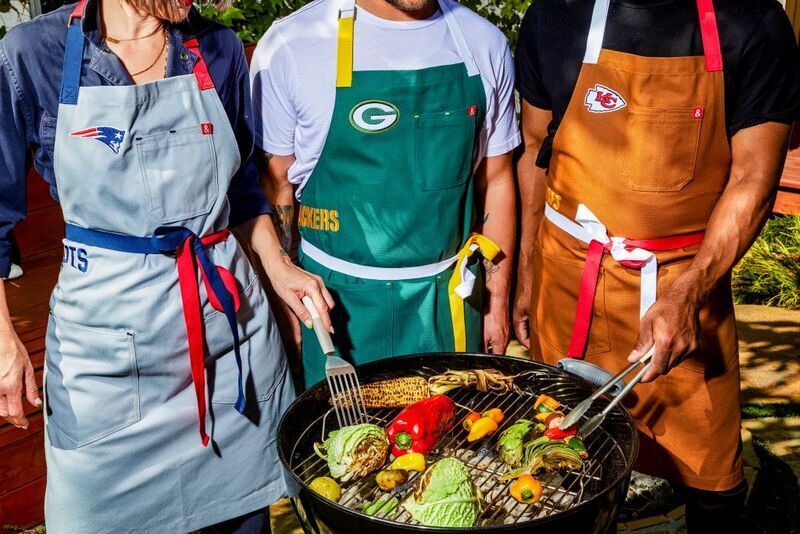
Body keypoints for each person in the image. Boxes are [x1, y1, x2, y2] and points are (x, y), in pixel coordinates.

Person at [0, 0, 332, 532]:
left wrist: (277, 264)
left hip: (228, 340)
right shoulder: (34, 53)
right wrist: (2, 339)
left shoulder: (218, 48)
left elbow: (242, 189)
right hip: (106, 360)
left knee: (241, 518)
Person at [513, 0, 800, 530]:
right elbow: (536, 147)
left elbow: (753, 180)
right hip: (567, 278)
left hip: (682, 285)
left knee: (711, 482)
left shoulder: (750, 20)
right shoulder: (554, 14)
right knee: (561, 463)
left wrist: (691, 292)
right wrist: (527, 273)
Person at [250, 0, 521, 388]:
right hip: (333, 308)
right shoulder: (291, 45)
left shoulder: (482, 43)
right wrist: (283, 297)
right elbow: (275, 185)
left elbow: (496, 179)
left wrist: (496, 301)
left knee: (453, 441)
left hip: (450, 306)